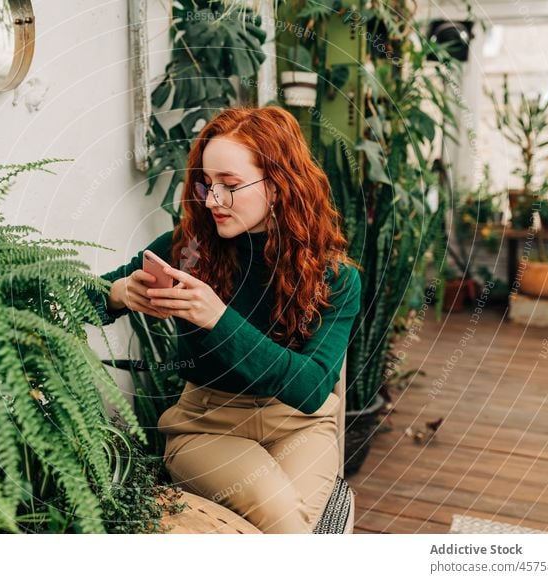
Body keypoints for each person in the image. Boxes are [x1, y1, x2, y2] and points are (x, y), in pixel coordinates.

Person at [86, 106, 362, 533]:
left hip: (299, 425)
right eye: (207, 184)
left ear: (278, 185)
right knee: (287, 524)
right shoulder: (187, 249)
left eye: (230, 185)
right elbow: (76, 297)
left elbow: (309, 390)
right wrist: (119, 294)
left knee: (287, 530)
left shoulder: (334, 277)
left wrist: (219, 318)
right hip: (206, 425)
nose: (212, 200)